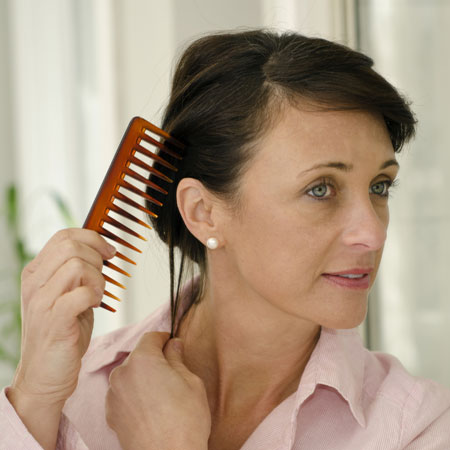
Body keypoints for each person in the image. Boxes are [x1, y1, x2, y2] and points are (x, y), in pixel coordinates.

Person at [1, 28, 450, 450]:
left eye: (380, 186)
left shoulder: (415, 427)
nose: (372, 233)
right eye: (320, 189)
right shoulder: (71, 396)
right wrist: (35, 398)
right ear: (203, 212)